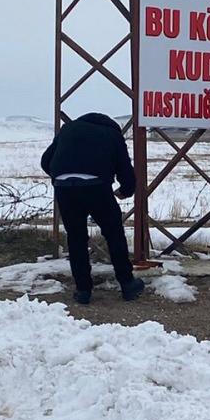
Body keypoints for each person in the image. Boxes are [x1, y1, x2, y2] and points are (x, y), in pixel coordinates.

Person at [40, 113, 145, 304]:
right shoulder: (112, 134)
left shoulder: (68, 129)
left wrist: (62, 175)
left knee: (76, 237)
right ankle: (127, 284)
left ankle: (83, 291)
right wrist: (126, 190)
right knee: (114, 233)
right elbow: (125, 168)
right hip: (96, 186)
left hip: (65, 187)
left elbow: (45, 161)